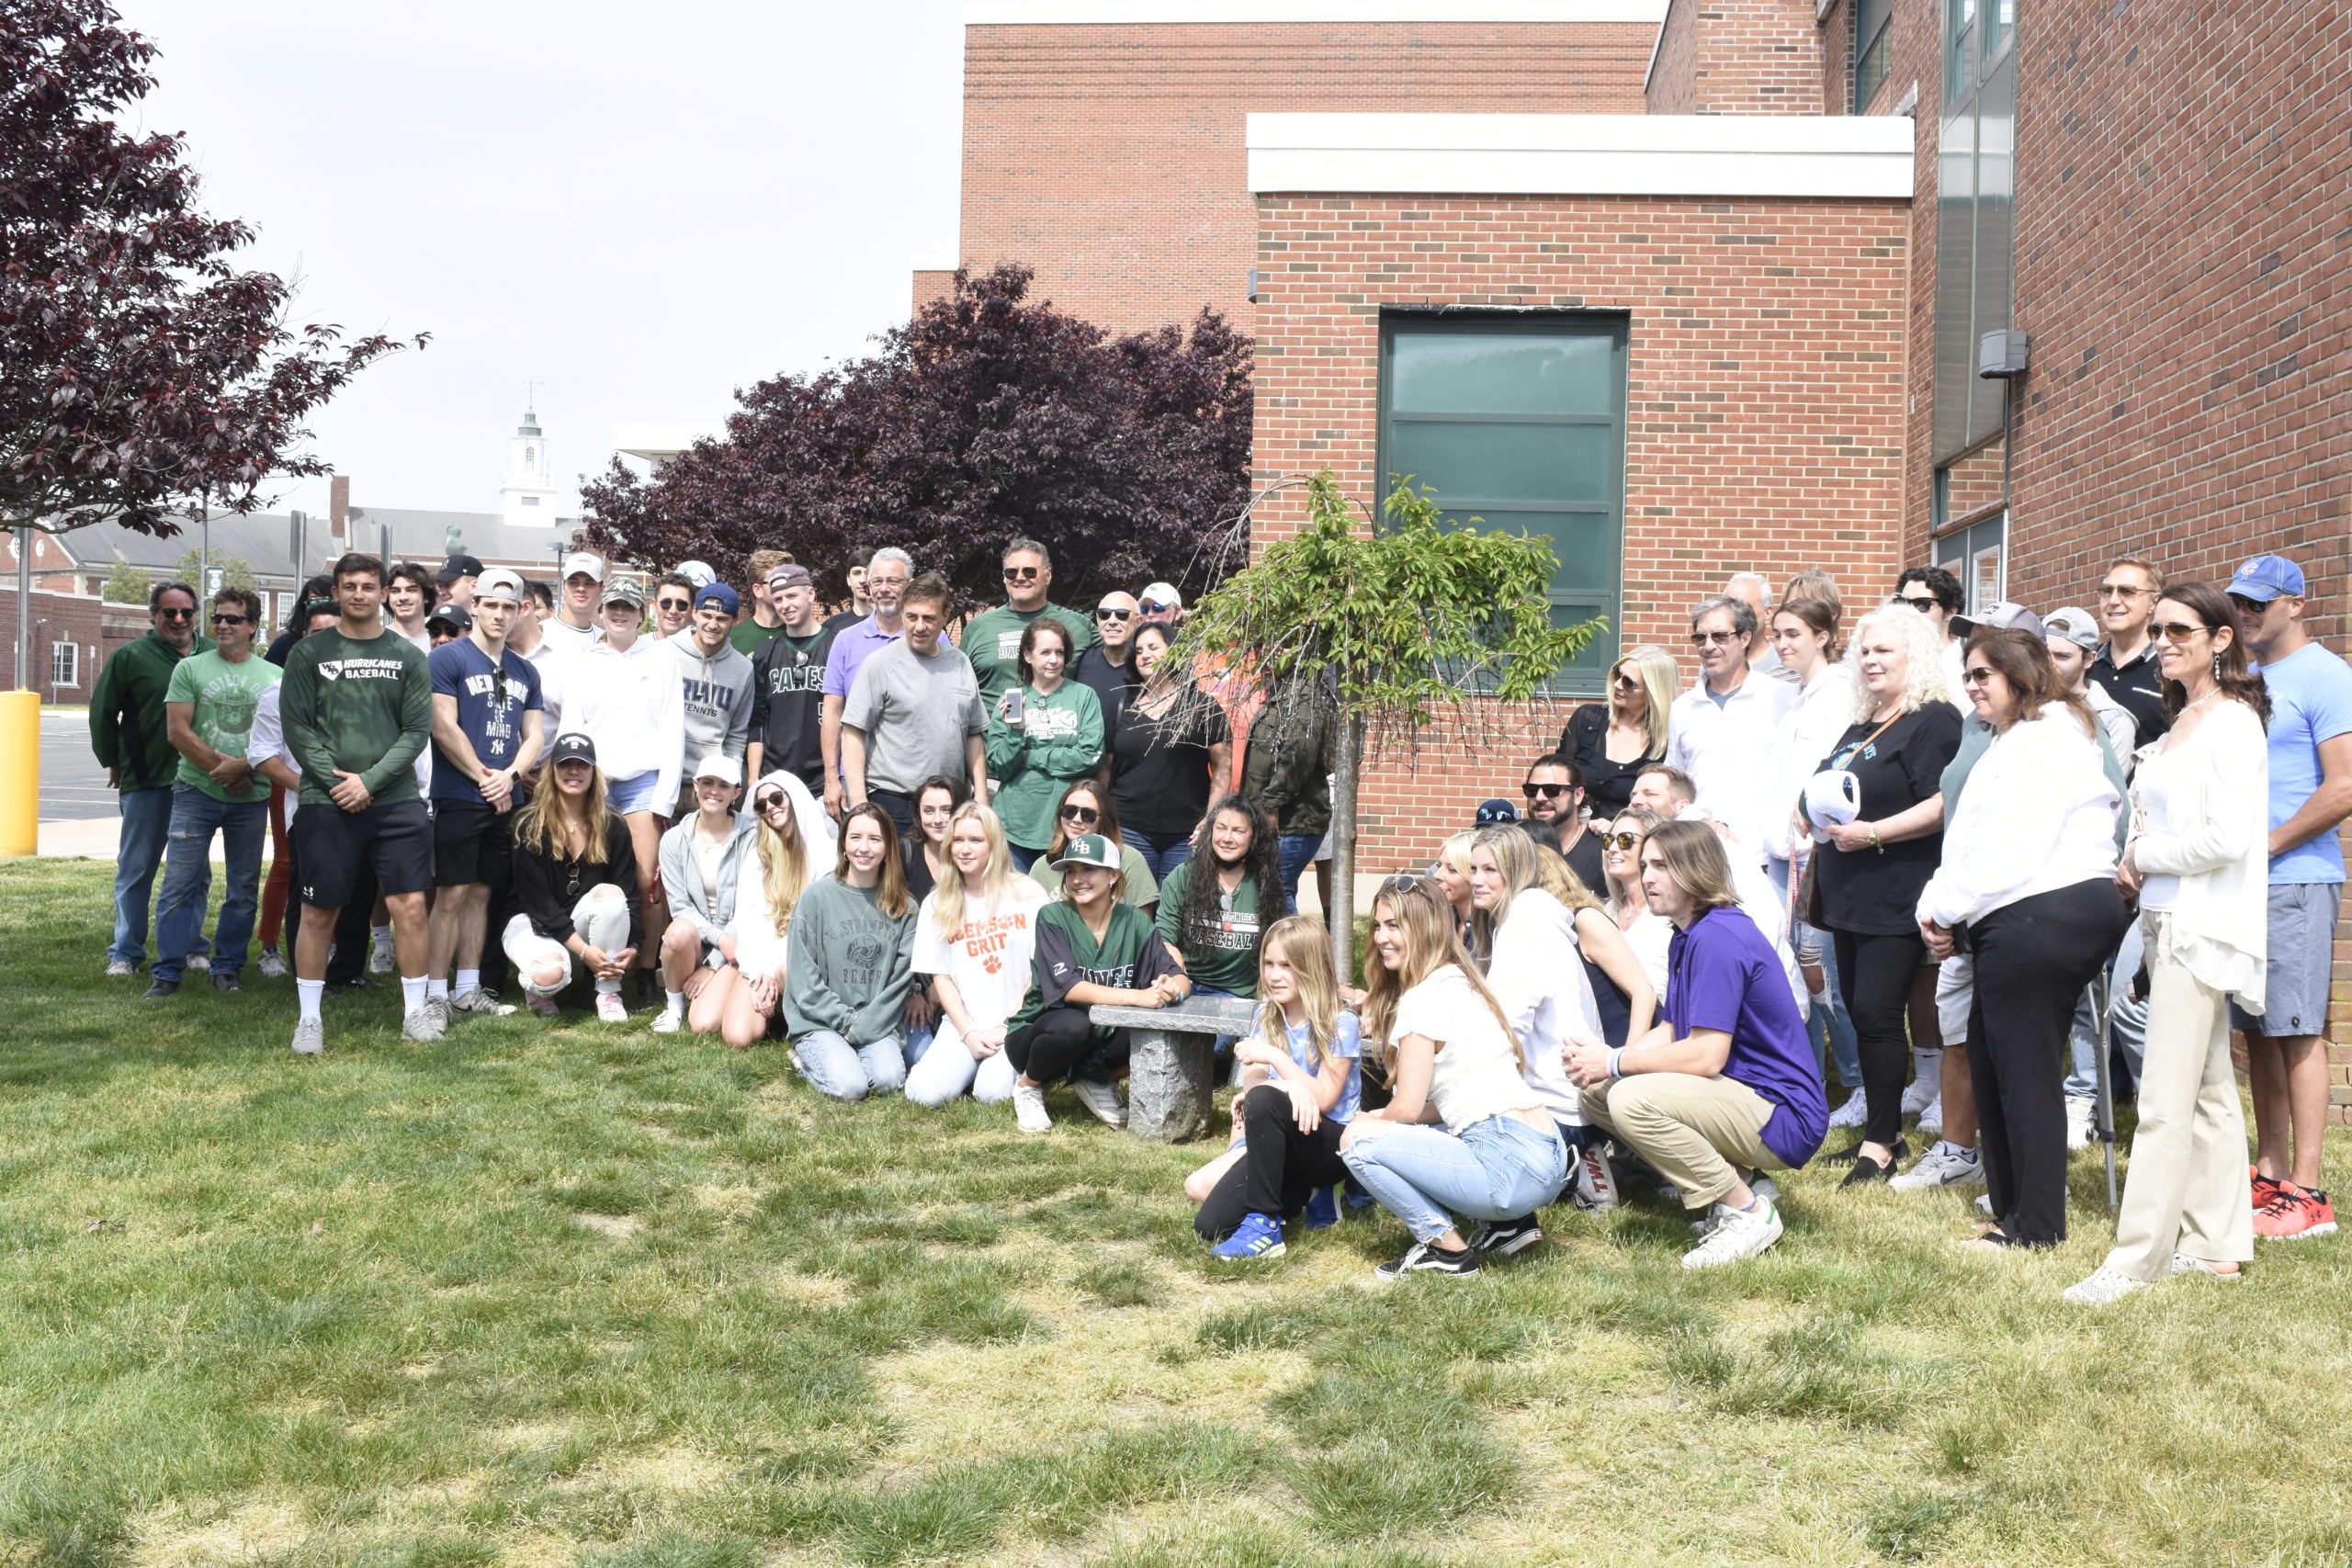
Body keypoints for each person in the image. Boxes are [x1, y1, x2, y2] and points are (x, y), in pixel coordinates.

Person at [2067, 583, 2271, 1303]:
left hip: (2197, 923)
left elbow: (2227, 837)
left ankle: (2135, 1257)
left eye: (2180, 628)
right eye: (2158, 629)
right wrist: (2134, 854)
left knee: (2161, 1098)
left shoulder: (2234, 722)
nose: (2163, 639)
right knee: (2211, 1088)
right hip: (2160, 917)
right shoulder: (2181, 718)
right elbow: (2153, 820)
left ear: (2221, 640)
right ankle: (2217, 1244)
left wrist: (2146, 855)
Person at [1916, 630, 2129, 1248]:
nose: (1974, 685)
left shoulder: (2044, 739)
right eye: (1968, 675)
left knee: (2024, 1070)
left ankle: (2035, 1227)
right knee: (1990, 1058)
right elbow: (1975, 843)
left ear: (2022, 674)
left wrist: (1945, 910)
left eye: (1985, 673)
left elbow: (2011, 848)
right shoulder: (2025, 738)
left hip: (2043, 910)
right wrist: (1941, 908)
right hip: (2027, 910)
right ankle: (2012, 1212)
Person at [1566, 820, 1828, 1268]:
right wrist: (1602, 1065)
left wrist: (1615, 1060)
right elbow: (1674, 1029)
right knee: (1598, 1095)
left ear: (1695, 871)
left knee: (1630, 1099)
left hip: (1784, 1114)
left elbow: (1707, 1056)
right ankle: (1744, 1185)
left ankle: (1747, 1213)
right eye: (1645, 864)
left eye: (1661, 866)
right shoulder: (1688, 933)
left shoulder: (1717, 938)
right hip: (1744, 1096)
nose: (1646, 876)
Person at [1338, 876, 1568, 1280]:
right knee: (1432, 1120)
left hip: (1507, 1168)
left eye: (1394, 926)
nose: (1380, 938)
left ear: (1424, 929)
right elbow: (1450, 1102)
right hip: (1547, 1153)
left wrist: (1369, 1121)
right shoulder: (1462, 981)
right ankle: (1510, 1226)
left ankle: (1447, 1251)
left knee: (1356, 1143)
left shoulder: (1422, 998)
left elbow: (1407, 1107)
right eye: (1378, 925)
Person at [1808, 603, 1963, 1184]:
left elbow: (1943, 804)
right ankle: (1883, 1128)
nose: (1871, 660)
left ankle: (1879, 1143)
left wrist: (1872, 832)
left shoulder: (1934, 720)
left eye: (1884, 651)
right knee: (1861, 1010)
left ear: (1914, 656)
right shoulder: (1865, 720)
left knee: (1877, 1013)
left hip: (1896, 889)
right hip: (1848, 889)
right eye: (1864, 651)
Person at [2227, 554, 2352, 1241]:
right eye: (2240, 603)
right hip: (2245, 883)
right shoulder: (2246, 680)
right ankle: (2270, 1172)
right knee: (2260, 1031)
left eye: (2259, 604)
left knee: (2299, 1031)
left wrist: (2270, 844)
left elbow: (2344, 785)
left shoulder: (2326, 675)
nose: (2246, 614)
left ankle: (2309, 1193)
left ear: (2296, 604)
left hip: (2296, 877)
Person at [278, 552, 435, 1055]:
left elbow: (416, 732)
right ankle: (308, 1020)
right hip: (325, 804)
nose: (360, 595)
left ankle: (415, 1013)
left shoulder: (408, 656)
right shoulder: (309, 654)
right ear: (337, 592)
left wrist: (368, 781)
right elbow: (298, 728)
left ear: (384, 592)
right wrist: (336, 782)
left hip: (395, 801)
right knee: (319, 910)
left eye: (370, 586)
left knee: (410, 906)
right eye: (350, 587)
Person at [1469, 827, 1656, 1229]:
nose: (1476, 880)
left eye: (1490, 869)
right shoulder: (1531, 917)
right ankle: (1582, 1159)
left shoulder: (1524, 926)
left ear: (1517, 870)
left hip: (1553, 1109)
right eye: (1473, 869)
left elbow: (1505, 1034)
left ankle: (1567, 1164)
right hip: (1573, 1103)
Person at [548, 576, 685, 1002]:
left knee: (646, 878)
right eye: (612, 608)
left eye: (628, 607)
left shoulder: (663, 659)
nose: (620, 614)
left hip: (644, 781)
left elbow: (673, 729)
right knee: (590, 874)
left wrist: (664, 797)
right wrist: (570, 786)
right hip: (594, 782)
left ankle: (645, 970)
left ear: (642, 613)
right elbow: (572, 725)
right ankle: (592, 968)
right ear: (602, 612)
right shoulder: (586, 661)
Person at [1194, 916, 1364, 1257]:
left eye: (1287, 965)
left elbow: (1325, 1099)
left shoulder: (1341, 1022)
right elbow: (1254, 1084)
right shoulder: (1266, 1014)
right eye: (1269, 963)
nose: (1274, 975)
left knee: (1268, 1098)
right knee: (1205, 1211)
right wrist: (1285, 1089)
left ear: (1312, 966)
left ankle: (1265, 1225)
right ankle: (1309, 1194)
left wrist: (1280, 1068)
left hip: (1328, 1143)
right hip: (1279, 1135)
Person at [423, 568, 546, 1025]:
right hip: (459, 794)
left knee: (481, 894)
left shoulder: (525, 670)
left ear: (519, 612)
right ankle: (436, 993)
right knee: (451, 893)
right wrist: (484, 778)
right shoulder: (448, 659)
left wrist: (510, 776)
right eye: (491, 605)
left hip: (503, 797)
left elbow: (534, 734)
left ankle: (468, 989)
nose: (499, 614)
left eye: (508, 607)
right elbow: (442, 725)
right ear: (474, 606)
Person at [1003, 832, 1190, 1133]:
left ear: (1113, 875)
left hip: (1098, 1040)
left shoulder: (1134, 920)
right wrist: (1138, 996)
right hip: (1037, 1039)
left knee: (1162, 1025)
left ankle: (1097, 1079)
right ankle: (1028, 1086)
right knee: (1076, 1024)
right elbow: (1072, 989)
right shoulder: (1052, 916)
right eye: (1071, 871)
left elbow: (1178, 975)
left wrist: (1173, 991)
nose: (1077, 879)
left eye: (1088, 869)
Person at [145, 585, 279, 998]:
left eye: (233, 619)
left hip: (252, 798)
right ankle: (167, 972)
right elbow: (177, 731)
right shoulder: (190, 668)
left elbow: (283, 739)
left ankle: (228, 967)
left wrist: (246, 768)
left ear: (253, 626)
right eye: (218, 617)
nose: (222, 624)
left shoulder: (276, 677)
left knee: (242, 888)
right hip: (195, 792)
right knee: (179, 885)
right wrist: (225, 770)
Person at [1766, 595, 1862, 1114]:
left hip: (1818, 852)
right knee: (1795, 974)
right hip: (1784, 852)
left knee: (1824, 976)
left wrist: (1815, 832)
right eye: (1777, 634)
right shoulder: (1794, 695)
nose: (1782, 644)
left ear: (1824, 636)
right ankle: (1809, 1085)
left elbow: (1834, 778)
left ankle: (1859, 1083)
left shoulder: (1838, 693)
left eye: (1793, 634)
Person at [91, 580, 214, 977]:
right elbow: (103, 714)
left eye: (187, 612)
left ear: (197, 614)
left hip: (200, 784)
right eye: (169, 612)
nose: (179, 619)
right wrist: (113, 760)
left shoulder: (214, 654)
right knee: (136, 869)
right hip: (148, 782)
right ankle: (125, 952)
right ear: (153, 614)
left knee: (195, 874)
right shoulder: (130, 657)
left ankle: (193, 947)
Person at [250, 601, 374, 990]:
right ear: (303, 639)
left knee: (359, 895)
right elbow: (262, 755)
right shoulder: (280, 691)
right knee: (309, 898)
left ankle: (349, 972)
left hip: (363, 804)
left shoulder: (368, 689)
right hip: (310, 812)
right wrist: (309, 789)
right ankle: (308, 979)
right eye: (319, 633)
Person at [904, 801, 1052, 1110]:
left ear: (994, 845)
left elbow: (1039, 970)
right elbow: (940, 976)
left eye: (976, 840)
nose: (965, 849)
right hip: (962, 1024)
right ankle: (968, 1066)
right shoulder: (937, 902)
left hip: (1016, 1022)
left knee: (992, 1095)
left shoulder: (1027, 893)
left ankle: (1013, 1069)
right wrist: (967, 1031)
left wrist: (1008, 1024)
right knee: (921, 1095)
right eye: (958, 840)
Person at [784, 803, 921, 1100]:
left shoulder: (906, 908)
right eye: (855, 837)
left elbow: (899, 983)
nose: (864, 847)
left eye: (875, 839)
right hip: (820, 1020)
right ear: (843, 843)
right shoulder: (816, 897)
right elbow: (803, 980)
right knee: (850, 1088)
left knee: (888, 1080)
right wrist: (846, 1023)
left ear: (888, 848)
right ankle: (807, 1058)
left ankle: (843, 1057)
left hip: (875, 1020)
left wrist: (864, 1027)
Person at [504, 732, 644, 1023]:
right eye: (565, 763)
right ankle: (541, 986)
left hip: (579, 922)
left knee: (611, 896)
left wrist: (634, 946)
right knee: (549, 977)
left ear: (594, 773)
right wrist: (584, 951)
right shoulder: (527, 824)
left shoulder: (613, 824)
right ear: (551, 770)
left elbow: (628, 893)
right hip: (529, 921)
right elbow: (538, 904)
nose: (573, 771)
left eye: (582, 765)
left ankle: (607, 992)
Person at [842, 571, 989, 835]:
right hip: (895, 801)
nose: (919, 626)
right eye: (911, 617)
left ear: (945, 617)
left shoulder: (960, 663)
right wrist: (860, 802)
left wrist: (981, 793)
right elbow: (853, 732)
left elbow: (974, 734)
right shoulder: (880, 664)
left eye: (929, 618)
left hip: (950, 804)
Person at [1666, 595, 1793, 864]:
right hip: (1701, 859)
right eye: (1700, 638)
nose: (1708, 646)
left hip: (1765, 858)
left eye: (1720, 636)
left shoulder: (1780, 697)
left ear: (1745, 638)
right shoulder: (1683, 708)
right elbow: (1676, 788)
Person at [1107, 621, 1231, 880]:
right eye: (1139, 651)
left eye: (1153, 647)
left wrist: (1212, 818)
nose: (1145, 655)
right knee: (1134, 910)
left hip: (1185, 834)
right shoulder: (1121, 706)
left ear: (1174, 651)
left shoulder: (1202, 707)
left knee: (1176, 910)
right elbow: (1106, 768)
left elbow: (1223, 766)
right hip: (1129, 829)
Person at [984, 616, 1104, 869]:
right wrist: (1016, 732)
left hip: (1069, 825)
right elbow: (999, 766)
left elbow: (1090, 757)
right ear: (1028, 655)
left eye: (1060, 652)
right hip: (1015, 827)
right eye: (1046, 652)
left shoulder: (1083, 696)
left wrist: (1032, 757)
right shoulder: (1011, 700)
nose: (1054, 660)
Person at [651, 756, 757, 1035]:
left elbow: (749, 906)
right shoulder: (673, 839)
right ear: (695, 786)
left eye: (724, 785)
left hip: (740, 942)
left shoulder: (753, 838)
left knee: (705, 1024)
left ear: (736, 794)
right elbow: (680, 908)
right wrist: (720, 940)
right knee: (677, 932)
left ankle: (716, 986)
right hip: (700, 941)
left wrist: (714, 963)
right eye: (707, 782)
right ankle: (674, 1007)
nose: (714, 790)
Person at [1157, 795, 1288, 1010]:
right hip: (1187, 988)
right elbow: (1164, 938)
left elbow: (1283, 944)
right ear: (1210, 832)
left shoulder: (1267, 883)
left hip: (1238, 997)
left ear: (1253, 837)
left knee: (1212, 1043)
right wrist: (1173, 964)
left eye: (1238, 831)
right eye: (1221, 828)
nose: (1227, 838)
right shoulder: (1183, 876)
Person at [724, 770, 820, 1048]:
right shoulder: (757, 857)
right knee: (737, 1036)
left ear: (794, 797)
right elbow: (749, 922)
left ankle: (804, 1031)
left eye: (777, 798)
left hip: (804, 958)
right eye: (761, 805)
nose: (770, 807)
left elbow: (811, 928)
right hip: (764, 961)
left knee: (788, 966)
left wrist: (772, 968)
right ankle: (776, 1012)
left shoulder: (825, 854)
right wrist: (758, 973)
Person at [820, 547, 911, 818]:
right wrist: (832, 779)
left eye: (893, 581)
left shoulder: (933, 638)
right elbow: (833, 712)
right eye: (877, 582)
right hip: (856, 777)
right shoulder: (845, 640)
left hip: (913, 780)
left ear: (909, 585)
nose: (884, 589)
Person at [957, 538, 1100, 705]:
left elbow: (1120, 657)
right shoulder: (977, 628)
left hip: (1059, 728)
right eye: (1011, 572)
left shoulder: (1079, 626)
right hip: (994, 730)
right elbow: (960, 689)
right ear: (1004, 578)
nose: (1019, 577)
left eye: (1029, 572)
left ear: (1048, 576)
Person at [743, 563, 836, 797]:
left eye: (792, 596)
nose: (785, 605)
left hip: (821, 782)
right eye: (778, 599)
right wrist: (754, 777)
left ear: (811, 594)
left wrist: (834, 778)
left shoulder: (836, 646)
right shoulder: (765, 653)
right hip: (775, 779)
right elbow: (757, 720)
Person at [1240, 671, 1332, 905]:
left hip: (1292, 823)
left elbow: (1296, 759)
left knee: (1276, 892)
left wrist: (1271, 806)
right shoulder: (1280, 692)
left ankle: (1297, 943)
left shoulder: (1303, 698)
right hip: (1274, 818)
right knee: (1276, 889)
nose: (1268, 652)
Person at [667, 580, 756, 819]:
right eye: (706, 615)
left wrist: (729, 774)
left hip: (711, 786)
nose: (713, 625)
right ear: (694, 613)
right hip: (666, 780)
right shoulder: (666, 654)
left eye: (722, 619)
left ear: (735, 621)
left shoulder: (743, 668)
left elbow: (738, 732)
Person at [1562, 644, 1675, 820]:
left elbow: (1664, 810)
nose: (1617, 684)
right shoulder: (1587, 719)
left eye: (1629, 682)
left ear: (1653, 692)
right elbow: (1557, 779)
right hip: (1573, 836)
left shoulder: (1667, 742)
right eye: (1617, 673)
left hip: (1626, 842)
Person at [1029, 779, 1161, 914]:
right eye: (1069, 811)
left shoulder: (1130, 860)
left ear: (1104, 820)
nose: (1076, 819)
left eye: (1088, 815)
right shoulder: (1042, 867)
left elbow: (1143, 926)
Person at [2043, 605, 2139, 773]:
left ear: (2089, 659)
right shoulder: (2019, 703)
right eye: (2042, 654)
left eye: (2062, 656)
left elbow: (2110, 793)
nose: (2048, 664)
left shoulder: (2113, 721)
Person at [2089, 554, 2170, 744]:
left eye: (2127, 592)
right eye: (2107, 591)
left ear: (2153, 602)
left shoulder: (2170, 667)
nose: (2114, 600)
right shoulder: (2084, 665)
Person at [1599, 807, 1675, 1002]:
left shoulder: (1666, 915)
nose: (1613, 849)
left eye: (1625, 840)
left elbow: (1658, 992)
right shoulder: (1608, 912)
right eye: (1609, 840)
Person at [1519, 752, 1605, 895]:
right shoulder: (1517, 848)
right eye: (1532, 790)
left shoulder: (1602, 850)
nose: (1540, 797)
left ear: (1577, 795)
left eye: (1552, 790)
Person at [1894, 564, 1967, 695]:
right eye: (1902, 602)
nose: (1909, 611)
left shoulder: (1963, 669)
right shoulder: (1887, 660)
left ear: (1950, 612)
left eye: (1922, 604)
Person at [901, 775, 967, 904]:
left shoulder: (974, 854)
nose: (938, 820)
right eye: (929, 811)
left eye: (946, 810)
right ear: (918, 813)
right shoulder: (904, 852)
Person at [1072, 591, 1141, 712]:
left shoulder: (1146, 665)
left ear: (1138, 621)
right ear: (1098, 620)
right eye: (1105, 614)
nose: (1112, 621)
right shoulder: (1082, 660)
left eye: (1122, 614)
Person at [1724, 571, 1789, 682]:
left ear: (1767, 614)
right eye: (1728, 607)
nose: (1735, 614)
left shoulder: (1786, 663)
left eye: (1743, 607)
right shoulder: (1716, 661)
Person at [730, 548, 794, 655]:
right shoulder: (732, 640)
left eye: (790, 581)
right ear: (757, 590)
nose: (786, 586)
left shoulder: (802, 635)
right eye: (776, 581)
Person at [541, 553, 606, 655]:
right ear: (563, 587)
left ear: (601, 589)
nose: (581, 588)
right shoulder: (540, 633)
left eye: (589, 583)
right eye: (573, 583)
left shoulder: (605, 641)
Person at [384, 561, 435, 650]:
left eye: (411, 590)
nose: (403, 597)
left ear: (426, 596)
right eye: (395, 591)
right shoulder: (376, 641)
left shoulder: (440, 642)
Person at [822, 558, 872, 637]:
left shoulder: (892, 624)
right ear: (848, 579)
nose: (862, 580)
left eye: (868, 573)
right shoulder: (832, 626)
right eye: (856, 573)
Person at [650, 572, 696, 641]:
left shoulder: (702, 650)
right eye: (666, 603)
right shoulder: (637, 649)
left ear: (692, 609)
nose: (673, 611)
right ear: (654, 605)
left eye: (681, 604)